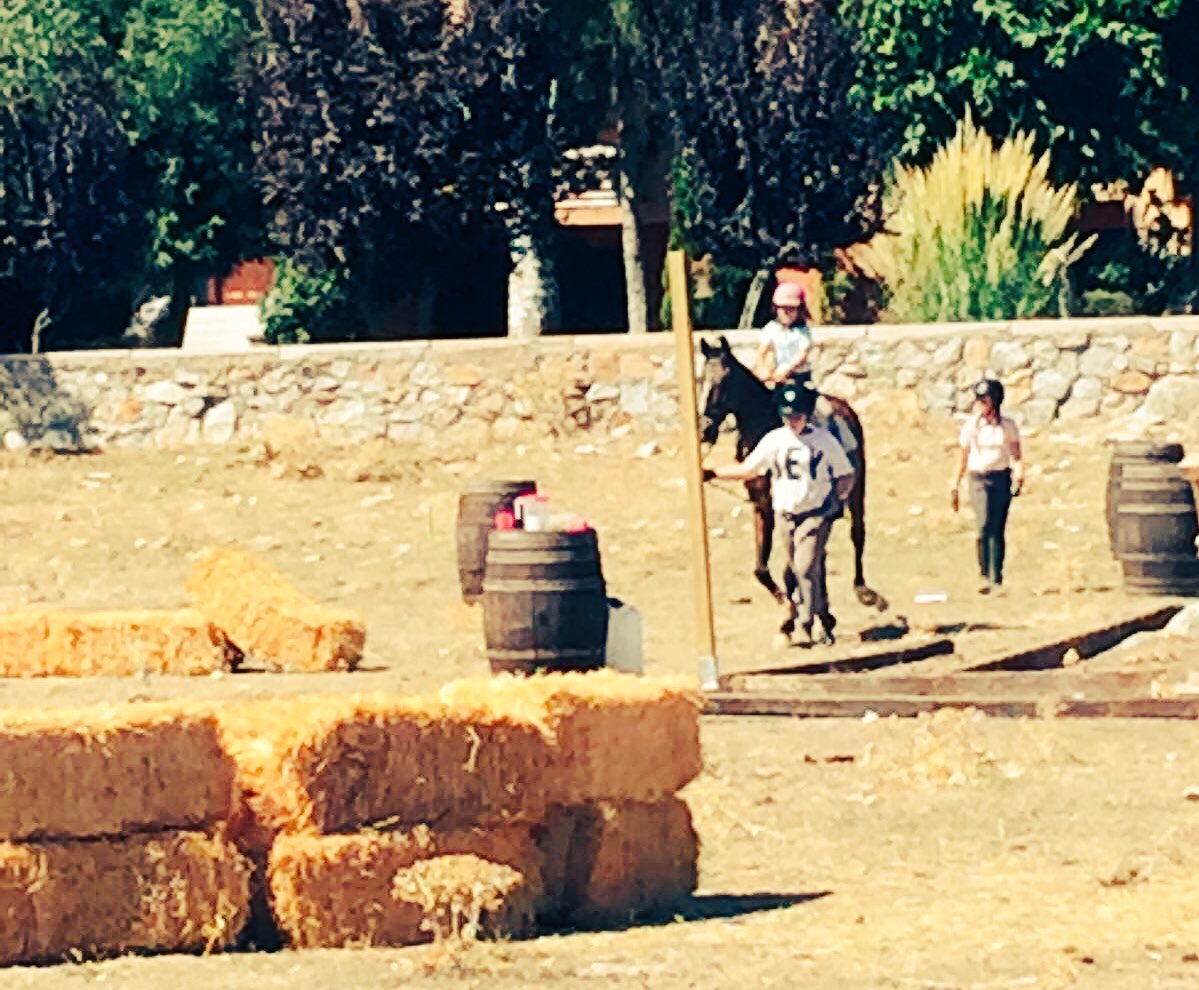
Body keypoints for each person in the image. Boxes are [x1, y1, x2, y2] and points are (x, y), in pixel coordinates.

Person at [703, 382, 855, 646]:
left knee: (804, 565)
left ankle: (804, 621)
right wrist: (713, 473)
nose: (792, 421)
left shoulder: (823, 440)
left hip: (815, 512)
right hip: (785, 514)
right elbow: (750, 468)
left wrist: (837, 498)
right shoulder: (775, 440)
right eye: (787, 416)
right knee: (804, 567)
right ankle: (823, 616)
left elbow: (846, 473)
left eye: (797, 416)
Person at [949, 379, 1025, 595]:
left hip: (1001, 478)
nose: (981, 404)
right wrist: (954, 483)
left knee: (998, 528)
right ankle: (983, 574)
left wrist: (1019, 476)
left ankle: (997, 577)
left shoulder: (1007, 426)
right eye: (979, 400)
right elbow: (962, 458)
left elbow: (1016, 455)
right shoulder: (971, 427)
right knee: (983, 525)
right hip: (979, 478)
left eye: (985, 399)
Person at [752, 281, 813, 387]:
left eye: (791, 309)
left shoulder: (803, 331)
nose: (786, 312)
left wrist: (787, 370)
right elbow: (761, 351)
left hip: (798, 376)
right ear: (775, 309)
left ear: (800, 310)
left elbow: (802, 354)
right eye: (782, 308)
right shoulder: (772, 328)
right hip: (777, 376)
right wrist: (762, 368)